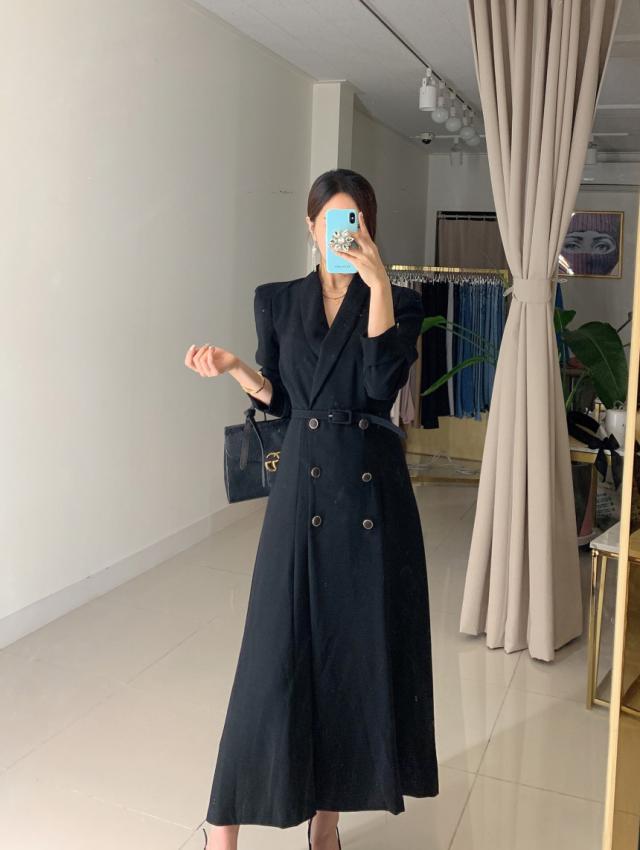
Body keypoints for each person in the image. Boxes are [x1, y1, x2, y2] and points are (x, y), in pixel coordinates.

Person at [185, 169, 439, 850]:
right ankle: (222, 826)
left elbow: (381, 386)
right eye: (331, 222)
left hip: (369, 495)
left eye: (354, 221)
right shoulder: (276, 301)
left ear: (369, 229)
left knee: (350, 661)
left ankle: (325, 823)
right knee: (270, 657)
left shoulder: (401, 301)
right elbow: (283, 398)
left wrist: (377, 284)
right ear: (310, 227)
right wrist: (236, 367)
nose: (341, 234)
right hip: (301, 488)